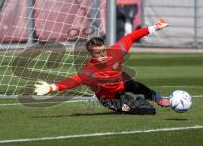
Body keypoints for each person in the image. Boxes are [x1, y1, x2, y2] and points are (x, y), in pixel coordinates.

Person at [34, 19, 170, 114]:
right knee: (148, 110)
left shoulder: (116, 52)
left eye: (103, 50)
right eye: (98, 53)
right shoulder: (88, 72)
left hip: (120, 84)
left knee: (133, 84)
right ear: (91, 54)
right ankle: (133, 102)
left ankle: (155, 95)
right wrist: (51, 87)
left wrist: (155, 27)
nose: (103, 55)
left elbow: (131, 37)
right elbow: (71, 82)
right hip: (109, 99)